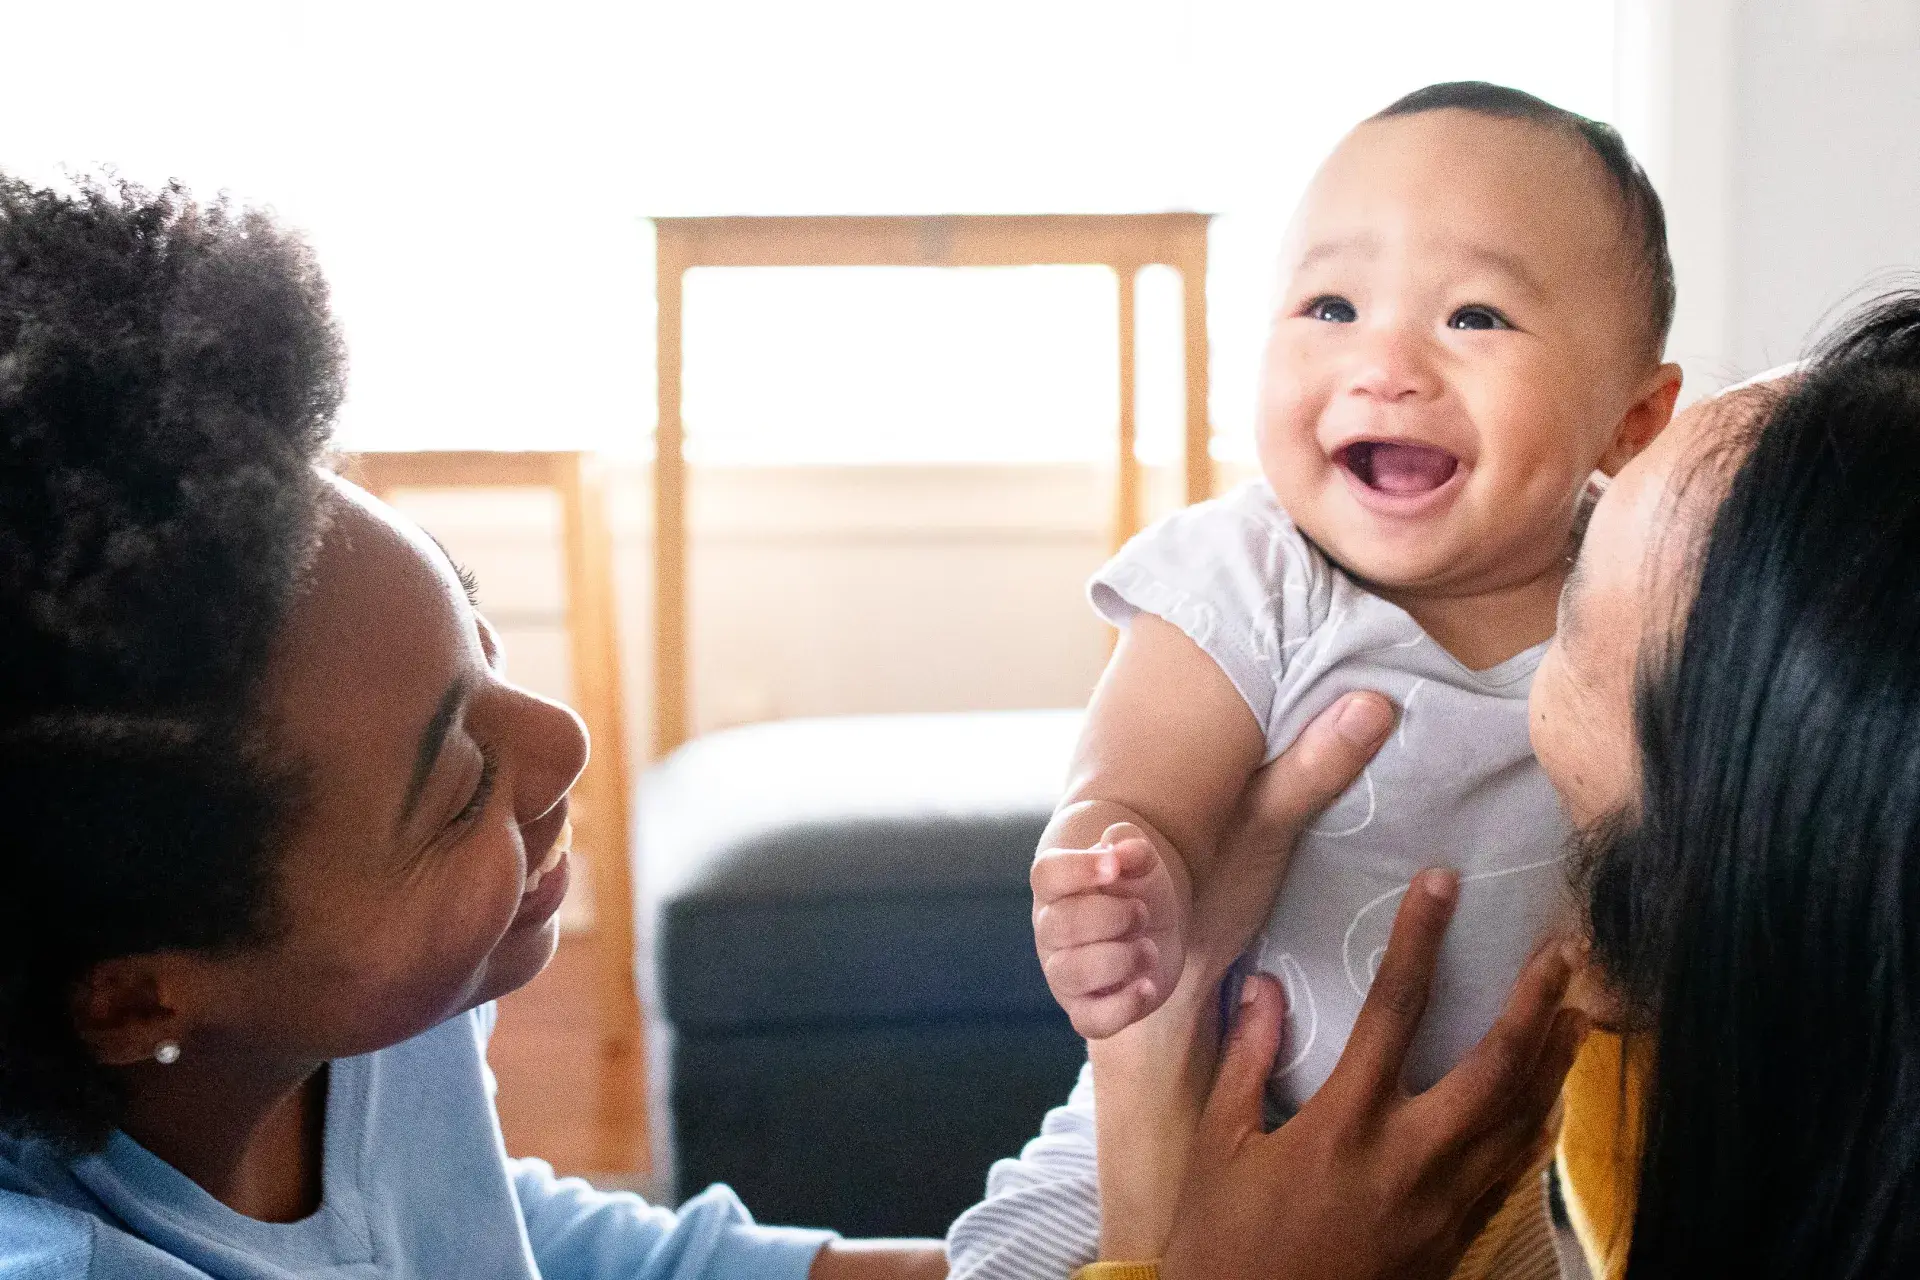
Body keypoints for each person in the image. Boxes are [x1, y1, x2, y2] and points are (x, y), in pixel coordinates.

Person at [0, 174, 1573, 1280]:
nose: (561, 746)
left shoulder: (356, 1034)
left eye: (482, 642)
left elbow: (501, 1239)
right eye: (455, 779)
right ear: (142, 998)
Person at [1008, 82, 1679, 1280]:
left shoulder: (1635, 605)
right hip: (1169, 1163)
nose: (1385, 362)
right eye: (1331, 304)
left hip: (1495, 1194)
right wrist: (1121, 873)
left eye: (1475, 315)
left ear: (1633, 419)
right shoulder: (1255, 577)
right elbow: (1137, 786)